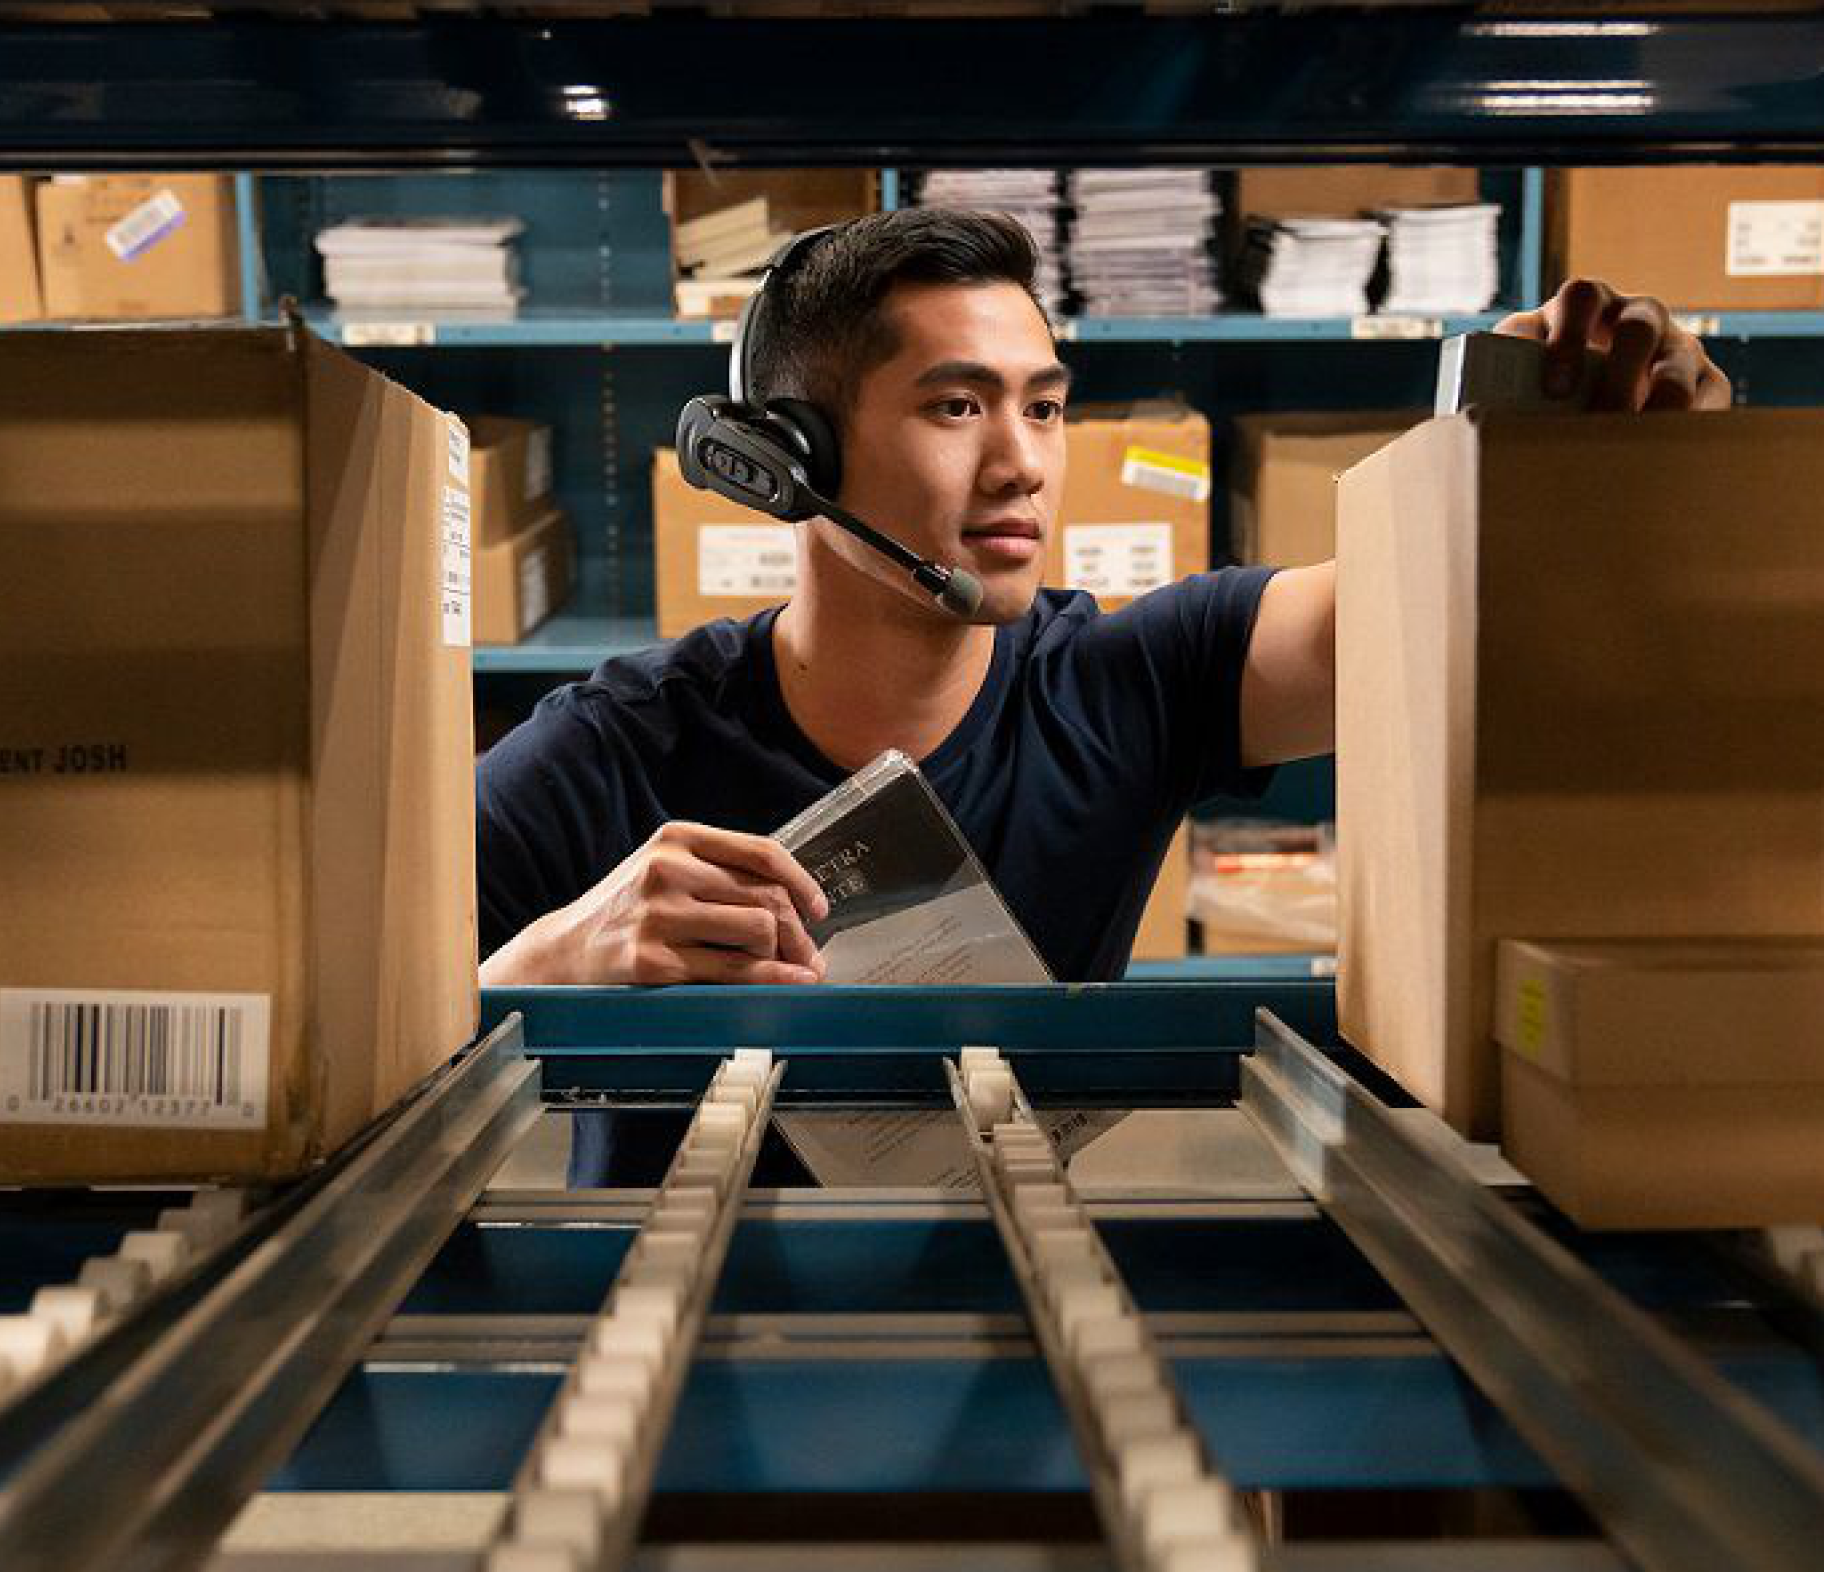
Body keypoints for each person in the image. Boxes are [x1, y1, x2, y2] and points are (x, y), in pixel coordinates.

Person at [474, 207, 1729, 1182]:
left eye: (1047, 406)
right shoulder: (616, 749)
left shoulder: (1129, 682)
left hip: (1009, 1322)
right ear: (785, 460)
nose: (1022, 462)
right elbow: (346, 1035)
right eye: (956, 406)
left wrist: (1580, 470)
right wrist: (547, 963)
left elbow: (1454, 604)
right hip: (670, 1360)